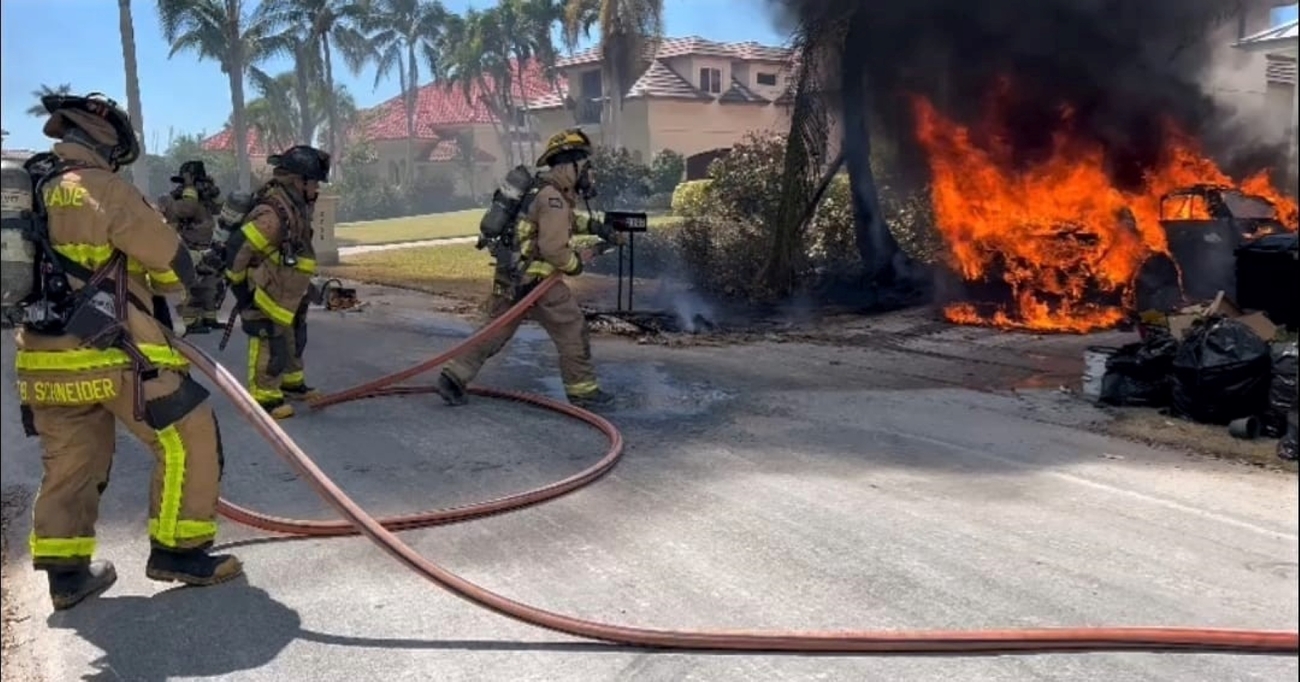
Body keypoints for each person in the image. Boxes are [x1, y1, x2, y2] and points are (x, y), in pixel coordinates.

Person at [13, 92, 242, 611]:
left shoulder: (31, 190)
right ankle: (179, 551)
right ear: (109, 144)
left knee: (71, 461)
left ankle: (67, 575)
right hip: (114, 353)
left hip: (41, 360)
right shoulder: (104, 188)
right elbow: (172, 264)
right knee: (189, 434)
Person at [436, 128, 622, 410]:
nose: (588, 174)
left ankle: (453, 377)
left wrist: (597, 227)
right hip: (538, 284)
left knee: (494, 332)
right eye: (585, 166)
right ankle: (583, 392)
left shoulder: (540, 191)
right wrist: (576, 264)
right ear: (568, 166)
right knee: (572, 328)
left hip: (511, 277)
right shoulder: (554, 199)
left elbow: (565, 221)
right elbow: (554, 250)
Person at [224, 145, 328, 419]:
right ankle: (265, 397)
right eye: (314, 182)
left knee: (292, 335)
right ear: (298, 180)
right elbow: (238, 249)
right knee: (268, 339)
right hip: (265, 290)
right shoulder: (273, 216)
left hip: (287, 290)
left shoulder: (296, 205)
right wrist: (241, 289)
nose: (317, 188)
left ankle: (291, 383)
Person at [159, 160, 225, 333]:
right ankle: (191, 322)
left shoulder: (203, 197)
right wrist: (189, 187)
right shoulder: (176, 198)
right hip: (189, 247)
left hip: (206, 246)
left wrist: (212, 189)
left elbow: (219, 208)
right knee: (191, 286)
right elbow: (187, 210)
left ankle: (209, 318)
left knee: (210, 284)